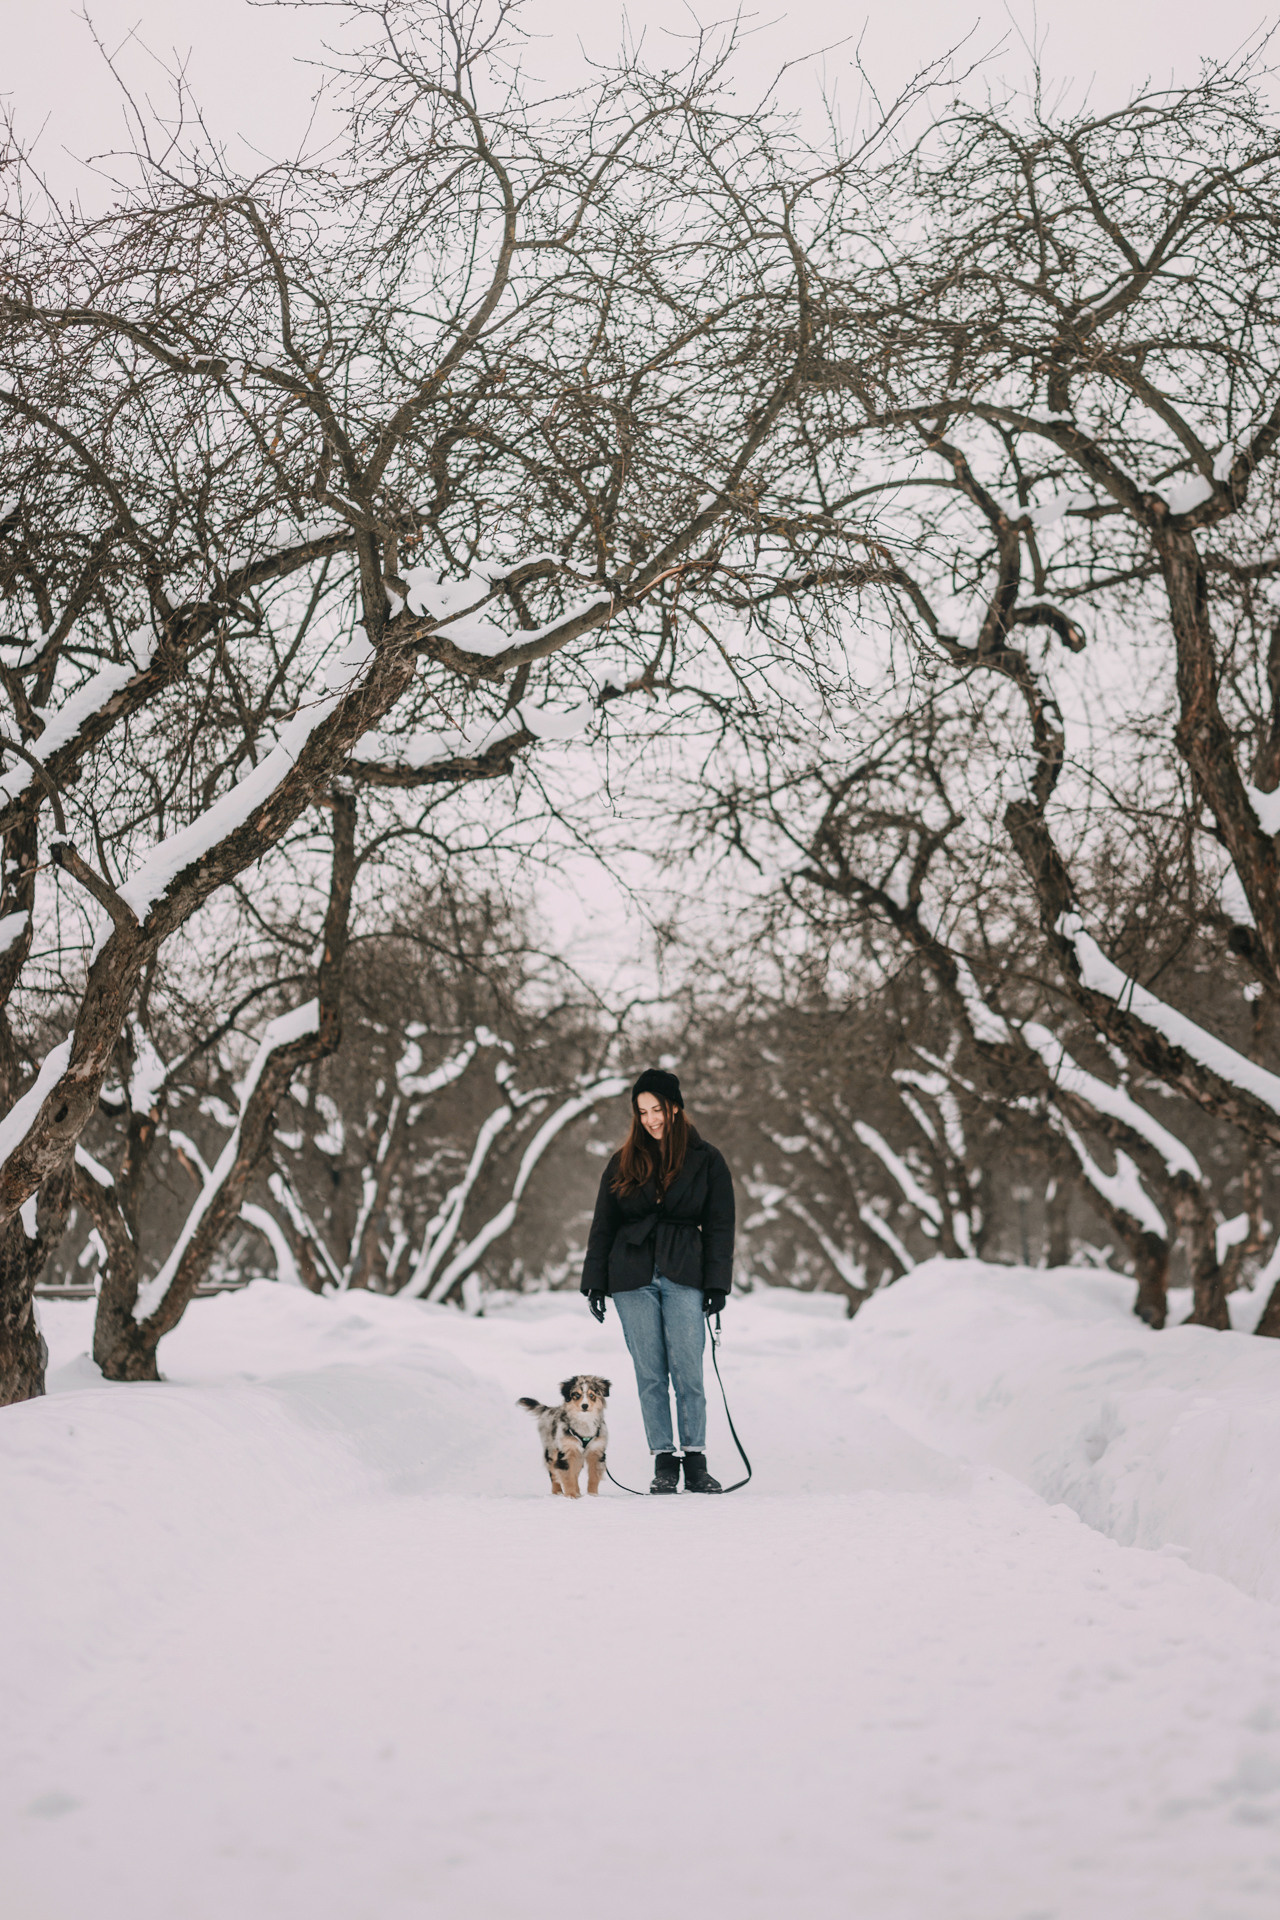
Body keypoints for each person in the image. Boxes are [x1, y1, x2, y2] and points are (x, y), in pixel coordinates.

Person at [580, 1068, 735, 1494]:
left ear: (676, 1106)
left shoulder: (707, 1160)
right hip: (631, 1276)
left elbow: (721, 1226)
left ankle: (696, 1461)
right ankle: (664, 1461)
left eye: (658, 1109)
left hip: (685, 1269)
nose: (651, 1119)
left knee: (689, 1372)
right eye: (643, 1111)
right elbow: (603, 1225)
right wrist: (595, 1282)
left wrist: (718, 1284)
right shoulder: (623, 1160)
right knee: (650, 1374)